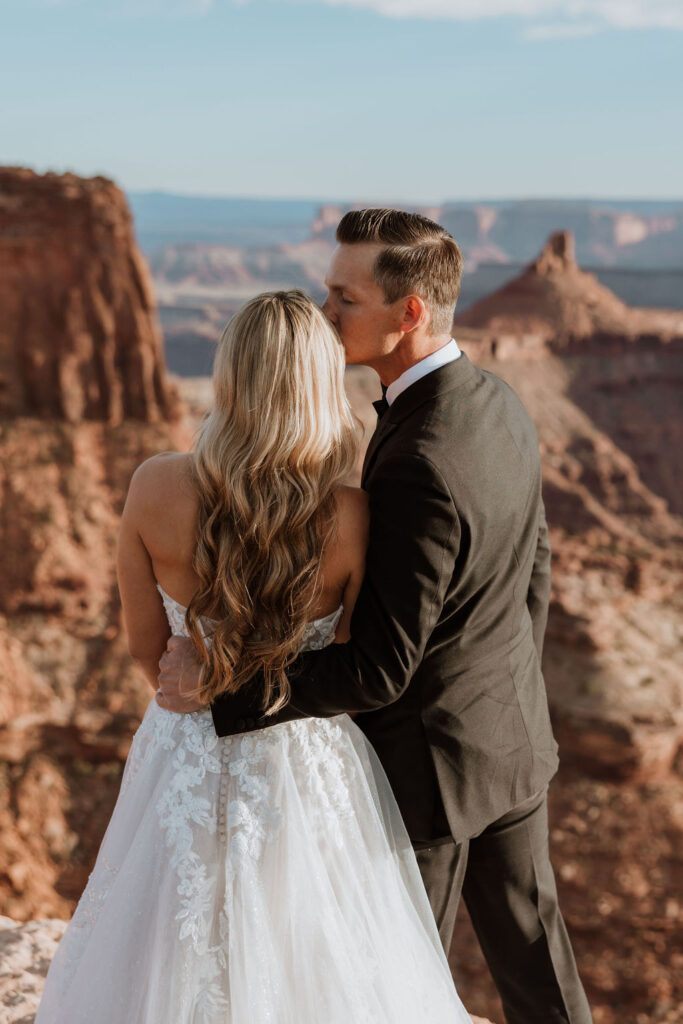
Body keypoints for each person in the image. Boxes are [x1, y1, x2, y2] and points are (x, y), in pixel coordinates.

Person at [158, 209, 593, 1024]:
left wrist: (221, 689)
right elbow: (532, 570)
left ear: (409, 313)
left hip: (427, 778)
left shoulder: (417, 460)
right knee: (540, 972)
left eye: (342, 297)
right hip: (510, 744)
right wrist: (502, 696)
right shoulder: (496, 401)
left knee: (393, 987)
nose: (324, 314)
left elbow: (377, 670)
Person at [35, 289, 470, 1023]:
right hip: (302, 759)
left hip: (183, 748)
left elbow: (147, 647)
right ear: (317, 384)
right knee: (304, 944)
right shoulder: (352, 516)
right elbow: (353, 663)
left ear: (229, 376)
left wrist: (199, 690)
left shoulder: (153, 486)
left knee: (168, 939)